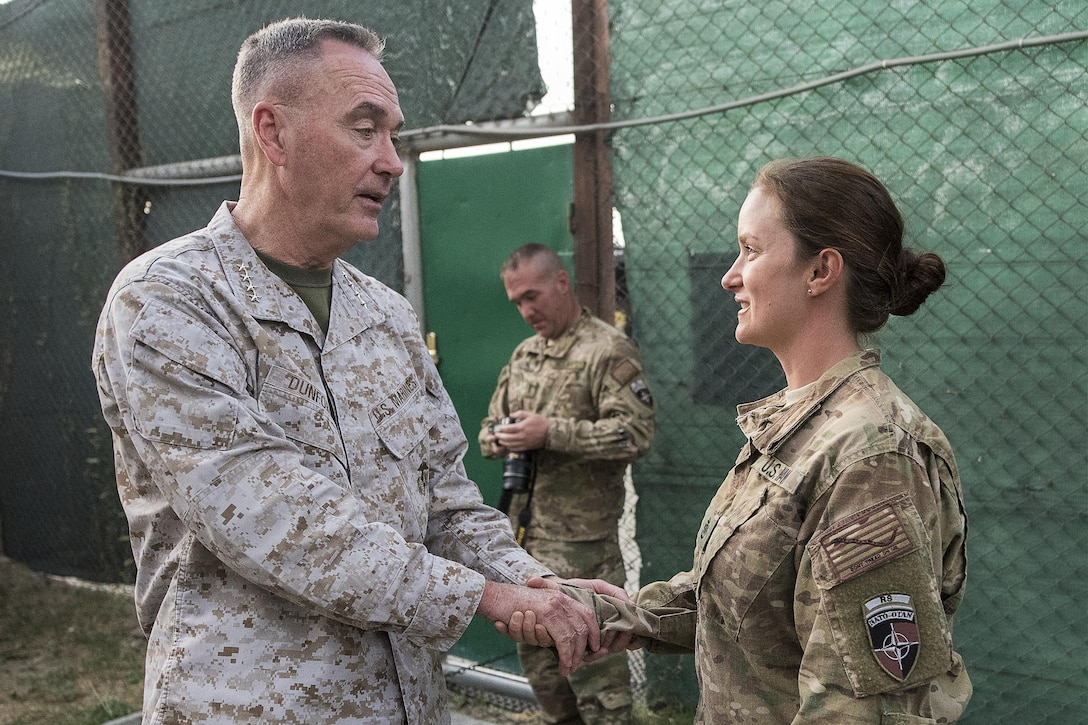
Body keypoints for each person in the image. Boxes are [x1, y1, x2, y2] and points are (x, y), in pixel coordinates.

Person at [91, 18, 615, 725]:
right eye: (365, 129)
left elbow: (447, 502)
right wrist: (485, 597)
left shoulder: (386, 315)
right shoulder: (168, 299)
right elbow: (272, 512)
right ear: (273, 133)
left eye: (393, 134)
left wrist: (533, 580)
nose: (392, 161)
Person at [505, 157, 972, 723]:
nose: (729, 275)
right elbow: (755, 604)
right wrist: (627, 613)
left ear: (820, 271)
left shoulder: (871, 454)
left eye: (751, 250)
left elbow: (859, 707)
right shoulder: (801, 424)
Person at [479, 244, 656, 724]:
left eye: (532, 296)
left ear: (562, 283)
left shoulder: (607, 350)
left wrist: (551, 432)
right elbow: (487, 432)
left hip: (583, 548)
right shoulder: (524, 355)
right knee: (541, 668)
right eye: (516, 302)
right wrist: (504, 435)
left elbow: (636, 433)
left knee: (597, 676)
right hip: (525, 543)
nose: (526, 310)